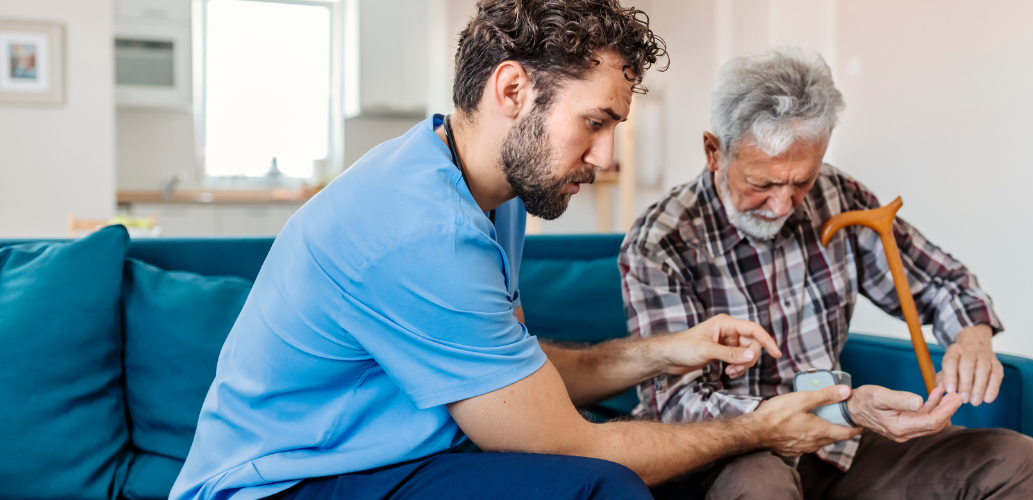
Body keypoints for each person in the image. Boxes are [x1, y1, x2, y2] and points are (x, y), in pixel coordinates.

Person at [170, 4, 869, 500]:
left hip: (377, 463)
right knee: (603, 483)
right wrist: (753, 428)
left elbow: (516, 370)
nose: (605, 155)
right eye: (594, 123)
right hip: (287, 485)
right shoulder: (421, 230)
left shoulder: (483, 192)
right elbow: (572, 448)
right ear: (512, 89)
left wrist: (669, 349)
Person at [620, 48, 1033, 499]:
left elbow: (944, 283)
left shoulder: (838, 194)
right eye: (764, 184)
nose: (784, 206)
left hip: (841, 448)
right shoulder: (662, 241)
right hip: (740, 451)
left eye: (802, 180)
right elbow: (677, 406)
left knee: (1022, 463)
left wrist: (971, 336)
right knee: (760, 489)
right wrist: (841, 409)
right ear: (715, 151)